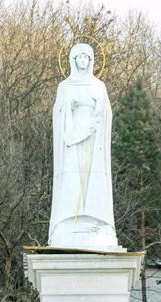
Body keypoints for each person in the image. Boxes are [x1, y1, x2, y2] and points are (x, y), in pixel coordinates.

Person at [48, 42, 119, 248]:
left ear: (91, 61)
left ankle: (95, 217)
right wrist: (68, 106)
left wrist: (99, 107)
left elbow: (107, 113)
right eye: (78, 57)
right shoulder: (65, 86)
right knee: (73, 174)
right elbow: (57, 114)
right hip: (72, 137)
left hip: (92, 136)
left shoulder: (98, 86)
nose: (82, 61)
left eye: (85, 58)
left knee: (91, 176)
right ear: (73, 60)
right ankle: (70, 217)